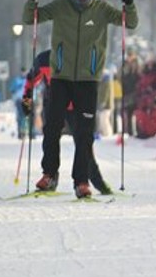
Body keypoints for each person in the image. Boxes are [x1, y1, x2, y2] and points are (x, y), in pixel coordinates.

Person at [22, 0, 136, 198]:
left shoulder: (101, 9)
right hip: (61, 77)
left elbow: (129, 22)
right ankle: (49, 174)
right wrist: (32, 0)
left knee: (84, 134)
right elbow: (30, 18)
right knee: (52, 127)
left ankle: (81, 182)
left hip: (87, 79)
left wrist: (129, 4)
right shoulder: (61, 7)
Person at [22, 49, 112, 195]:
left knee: (83, 142)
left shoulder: (78, 56)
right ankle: (50, 177)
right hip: (53, 103)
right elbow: (31, 80)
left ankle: (94, 182)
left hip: (75, 106)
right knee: (50, 136)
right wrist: (26, 102)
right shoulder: (44, 59)